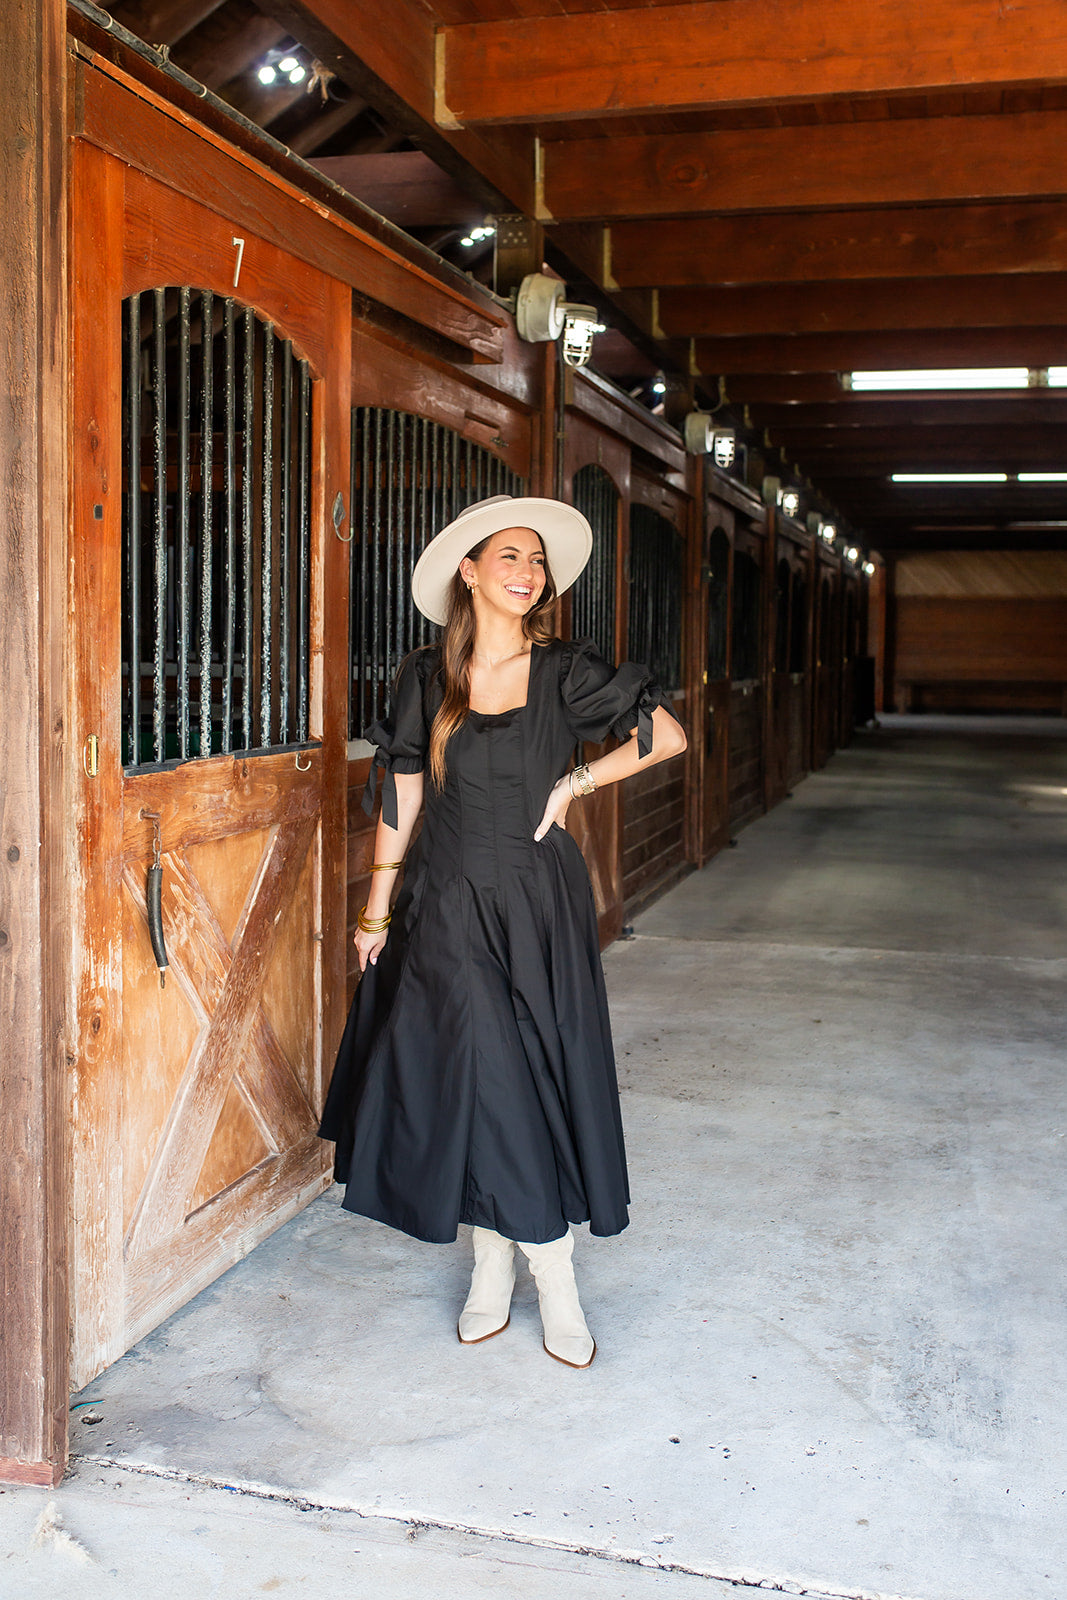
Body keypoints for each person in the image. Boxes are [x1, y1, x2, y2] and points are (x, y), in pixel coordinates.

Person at [318, 495, 687, 1368]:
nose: (528, 575)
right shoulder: (423, 676)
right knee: (471, 1072)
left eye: (537, 563)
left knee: (528, 1068)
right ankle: (506, 1263)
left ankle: (541, 1272)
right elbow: (402, 796)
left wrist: (574, 786)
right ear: (469, 572)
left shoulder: (565, 669)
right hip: (441, 905)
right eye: (510, 558)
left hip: (535, 898)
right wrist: (376, 912)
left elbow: (663, 736)